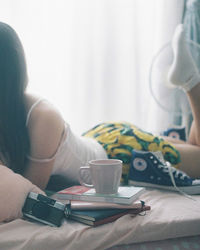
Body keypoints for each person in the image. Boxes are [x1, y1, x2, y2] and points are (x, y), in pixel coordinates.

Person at [0, 22, 200, 193]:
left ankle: (192, 82)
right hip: (102, 140)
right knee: (194, 149)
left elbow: (31, 191)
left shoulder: (43, 117)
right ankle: (188, 80)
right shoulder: (12, 112)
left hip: (119, 156)